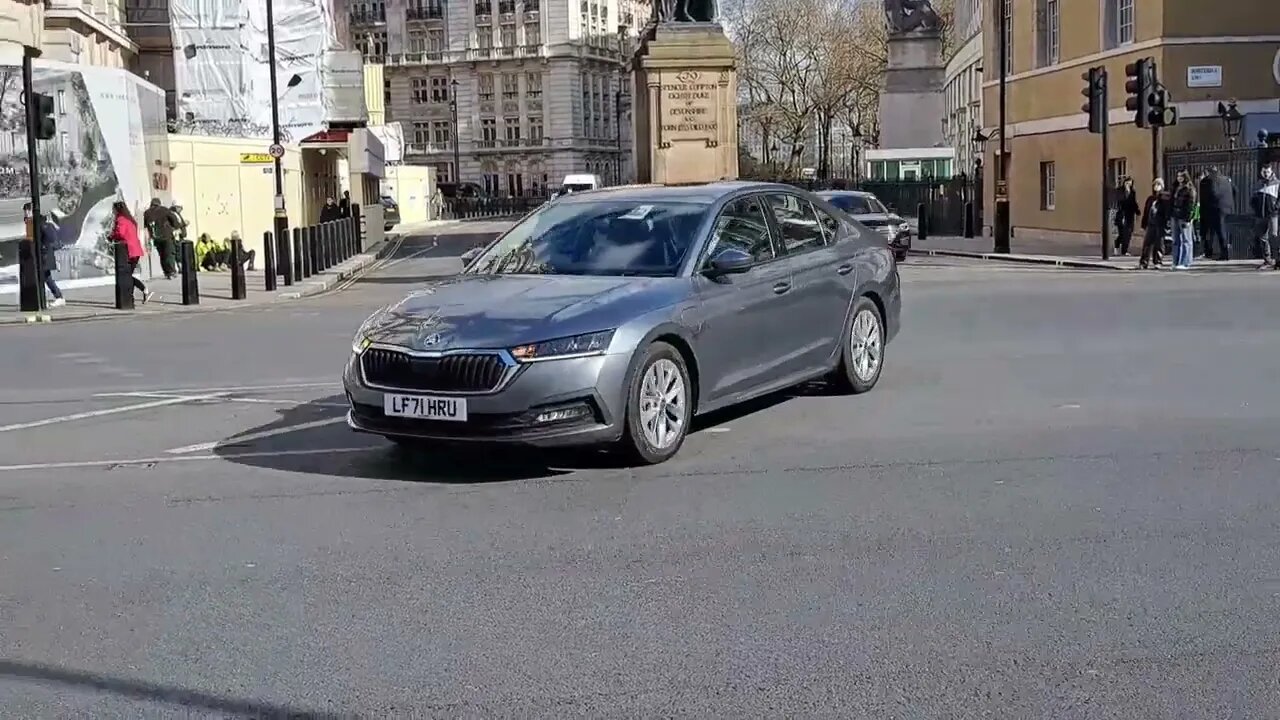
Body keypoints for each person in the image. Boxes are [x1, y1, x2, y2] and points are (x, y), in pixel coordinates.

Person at [112, 201, 153, 302]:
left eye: (113, 209)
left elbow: (120, 233)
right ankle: (131, 295)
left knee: (126, 275)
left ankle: (142, 290)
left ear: (117, 209)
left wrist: (111, 236)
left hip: (128, 251)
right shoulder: (130, 219)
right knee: (128, 275)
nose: (112, 212)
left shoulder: (120, 219)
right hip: (136, 250)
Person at [143, 197, 182, 279]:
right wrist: (177, 226)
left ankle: (166, 272)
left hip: (156, 237)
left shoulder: (147, 213)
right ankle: (171, 272)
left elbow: (146, 226)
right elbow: (174, 220)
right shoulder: (164, 210)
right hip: (166, 235)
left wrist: (149, 239)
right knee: (169, 253)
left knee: (162, 255)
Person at [1139, 178, 1171, 270]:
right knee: (1147, 244)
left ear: (1162, 186)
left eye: (1158, 184)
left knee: (1159, 244)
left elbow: (1166, 211)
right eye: (1155, 185)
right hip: (1151, 223)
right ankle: (1144, 262)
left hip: (1160, 223)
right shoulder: (1150, 199)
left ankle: (1158, 261)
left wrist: (1167, 223)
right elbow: (1146, 212)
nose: (1156, 186)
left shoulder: (1164, 198)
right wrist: (1143, 224)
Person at [1253, 165, 1279, 270]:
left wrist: (1276, 207)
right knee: (1263, 237)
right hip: (1261, 214)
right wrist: (1255, 208)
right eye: (1264, 172)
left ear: (1271, 171)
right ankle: (1267, 259)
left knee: (1274, 236)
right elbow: (1253, 198)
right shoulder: (1259, 184)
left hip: (1273, 214)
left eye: (1267, 172)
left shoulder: (1277, 183)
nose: (1265, 174)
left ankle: (1277, 259)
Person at [1170, 171, 1196, 269]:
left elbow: (1191, 204)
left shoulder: (1189, 188)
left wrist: (1189, 217)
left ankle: (1186, 262)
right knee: (1175, 240)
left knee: (1186, 240)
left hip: (1184, 216)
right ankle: (1175, 262)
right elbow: (1171, 201)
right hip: (1175, 215)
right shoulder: (1175, 187)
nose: (1179, 178)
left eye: (1181, 176)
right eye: (1178, 176)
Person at [40, 210, 66, 307]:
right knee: (46, 277)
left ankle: (57, 297)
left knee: (45, 277)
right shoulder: (48, 225)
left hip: (44, 255)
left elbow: (47, 239)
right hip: (47, 255)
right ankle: (57, 297)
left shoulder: (42, 226)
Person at [1113, 177, 1139, 256]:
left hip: (1130, 215)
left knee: (1128, 233)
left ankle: (1124, 251)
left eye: (1130, 183)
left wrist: (1137, 211)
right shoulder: (1119, 191)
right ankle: (1117, 245)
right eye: (1127, 183)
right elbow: (1119, 201)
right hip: (1122, 215)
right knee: (1122, 233)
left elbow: (1134, 202)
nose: (1128, 184)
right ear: (1124, 183)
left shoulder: (1132, 192)